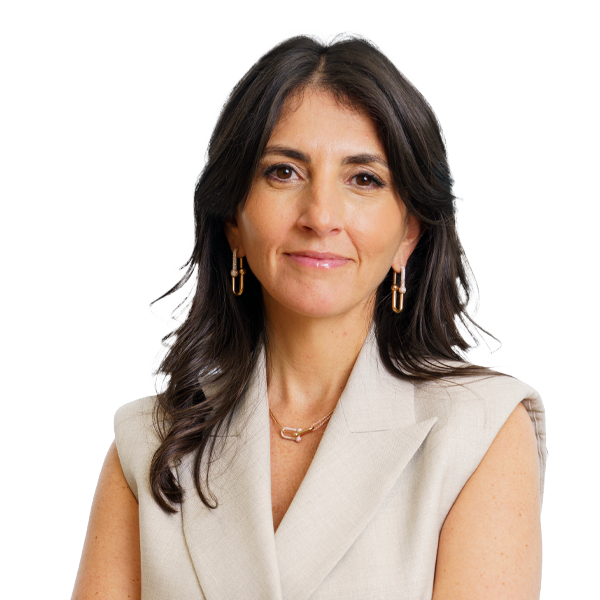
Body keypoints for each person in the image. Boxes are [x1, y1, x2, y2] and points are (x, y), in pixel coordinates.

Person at [71, 30, 546, 599]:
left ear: (409, 234)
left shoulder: (481, 429)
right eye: (283, 172)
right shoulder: (150, 441)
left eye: (364, 179)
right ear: (233, 220)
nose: (320, 216)